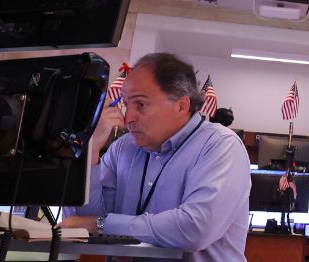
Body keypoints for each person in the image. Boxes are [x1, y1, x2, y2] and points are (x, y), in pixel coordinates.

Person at [60, 53, 251, 262]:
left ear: (181, 105)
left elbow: (194, 229)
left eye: (141, 104)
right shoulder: (123, 148)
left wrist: (100, 224)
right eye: (125, 104)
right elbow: (79, 222)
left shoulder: (220, 145)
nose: (127, 117)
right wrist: (92, 151)